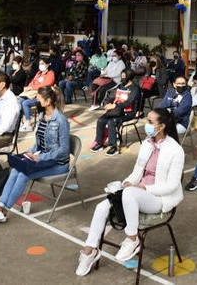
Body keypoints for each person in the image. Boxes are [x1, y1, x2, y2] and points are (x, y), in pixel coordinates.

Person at [76, 109, 184, 277]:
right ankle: (89, 250)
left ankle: (132, 239)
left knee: (129, 193)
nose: (146, 125)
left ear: (161, 126)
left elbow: (172, 185)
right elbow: (137, 171)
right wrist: (128, 182)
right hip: (137, 194)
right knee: (102, 206)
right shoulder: (147, 144)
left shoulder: (175, 150)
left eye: (150, 122)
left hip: (159, 199)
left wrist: (144, 189)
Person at [0, 86, 69, 222]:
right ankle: (0, 208)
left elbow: (63, 150)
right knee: (16, 169)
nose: (36, 101)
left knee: (23, 174)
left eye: (38, 98)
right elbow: (39, 143)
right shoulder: (43, 116)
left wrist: (39, 157)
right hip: (43, 159)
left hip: (58, 164)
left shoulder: (61, 120)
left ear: (48, 100)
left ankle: (3, 211)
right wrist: (30, 153)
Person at [92, 69, 140, 156]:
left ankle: (113, 147)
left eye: (124, 77)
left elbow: (129, 102)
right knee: (101, 120)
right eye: (121, 76)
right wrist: (107, 103)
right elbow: (112, 95)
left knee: (111, 122)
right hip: (117, 111)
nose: (122, 78)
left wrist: (115, 106)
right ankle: (99, 143)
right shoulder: (120, 86)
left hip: (128, 113)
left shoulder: (134, 89)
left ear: (129, 78)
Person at [19, 58, 55, 131]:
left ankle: (28, 122)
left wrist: (32, 87)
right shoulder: (38, 73)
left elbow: (45, 84)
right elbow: (33, 81)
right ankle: (23, 121)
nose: (40, 65)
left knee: (25, 103)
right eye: (39, 64)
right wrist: (28, 87)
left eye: (42, 64)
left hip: (42, 95)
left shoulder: (50, 73)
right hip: (32, 93)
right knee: (20, 101)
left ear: (47, 64)